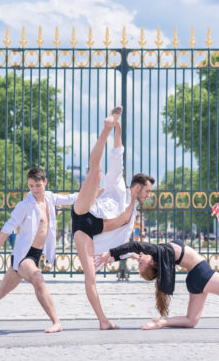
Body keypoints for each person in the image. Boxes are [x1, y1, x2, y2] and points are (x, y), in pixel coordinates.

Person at [70, 106, 155, 330]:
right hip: (85, 212)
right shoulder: (118, 188)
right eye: (147, 191)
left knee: (91, 278)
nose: (149, 195)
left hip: (86, 232)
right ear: (137, 187)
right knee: (96, 172)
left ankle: (103, 321)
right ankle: (105, 128)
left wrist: (137, 257)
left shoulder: (134, 211)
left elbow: (124, 241)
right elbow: (117, 155)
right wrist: (116, 127)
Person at [95, 240, 219, 330]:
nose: (139, 258)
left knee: (191, 320)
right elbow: (135, 245)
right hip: (202, 273)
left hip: (195, 278)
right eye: (140, 263)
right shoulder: (157, 253)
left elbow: (134, 252)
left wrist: (119, 257)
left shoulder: (159, 256)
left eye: (139, 261)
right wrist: (111, 253)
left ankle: (162, 322)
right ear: (152, 263)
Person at [0, 167, 78, 333]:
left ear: (45, 183)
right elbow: (6, 230)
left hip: (35, 255)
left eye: (38, 185)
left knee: (0, 292)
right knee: (37, 278)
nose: (34, 189)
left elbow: (72, 198)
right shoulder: (24, 205)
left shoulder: (50, 198)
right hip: (23, 256)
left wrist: (95, 193)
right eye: (31, 186)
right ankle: (57, 322)